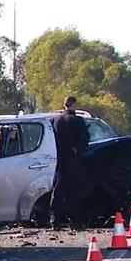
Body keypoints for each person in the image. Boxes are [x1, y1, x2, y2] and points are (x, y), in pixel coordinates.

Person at [50, 96, 90, 230]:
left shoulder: (55, 120)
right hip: (73, 160)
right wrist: (78, 151)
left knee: (58, 190)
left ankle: (55, 221)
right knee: (74, 192)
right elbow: (84, 139)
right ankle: (75, 222)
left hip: (59, 160)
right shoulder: (77, 121)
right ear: (73, 105)